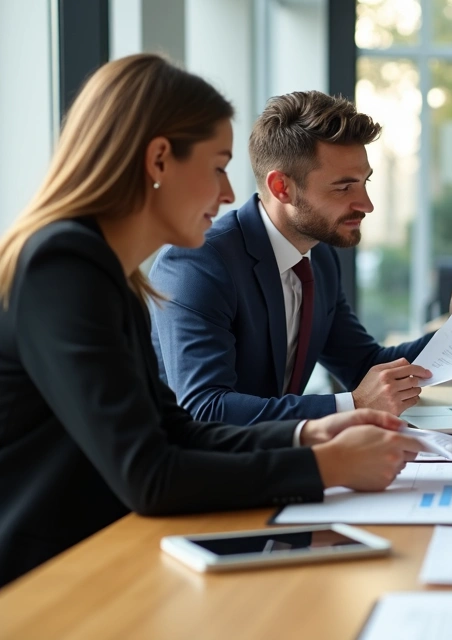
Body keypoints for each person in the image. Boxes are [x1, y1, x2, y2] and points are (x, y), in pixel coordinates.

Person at [0, 55, 427, 588]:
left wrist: (309, 435)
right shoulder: (63, 268)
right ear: (159, 161)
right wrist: (327, 467)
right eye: (218, 166)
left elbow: (175, 430)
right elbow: (149, 474)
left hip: (96, 560)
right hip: (42, 582)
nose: (228, 194)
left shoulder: (110, 274)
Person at [148, 91, 452, 424]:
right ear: (282, 187)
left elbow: (364, 366)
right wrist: (352, 405)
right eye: (343, 187)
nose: (366, 204)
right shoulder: (198, 263)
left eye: (365, 182)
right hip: (204, 472)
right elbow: (205, 409)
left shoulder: (317, 257)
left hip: (275, 461)